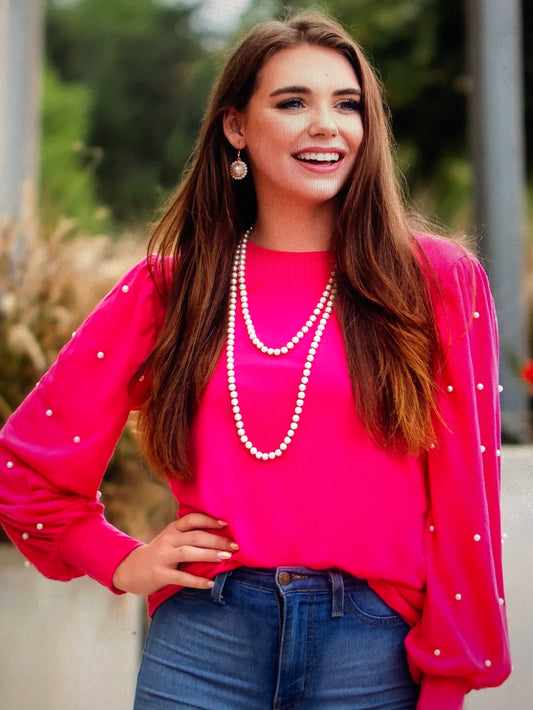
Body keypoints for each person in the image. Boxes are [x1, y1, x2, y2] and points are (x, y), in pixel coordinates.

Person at [0, 10, 511, 710]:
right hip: (203, 643)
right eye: (292, 101)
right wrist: (119, 560)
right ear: (236, 127)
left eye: (347, 103)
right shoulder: (168, 290)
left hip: (371, 649)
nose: (326, 124)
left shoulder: (435, 281)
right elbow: (26, 466)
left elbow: (464, 505)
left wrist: (447, 685)